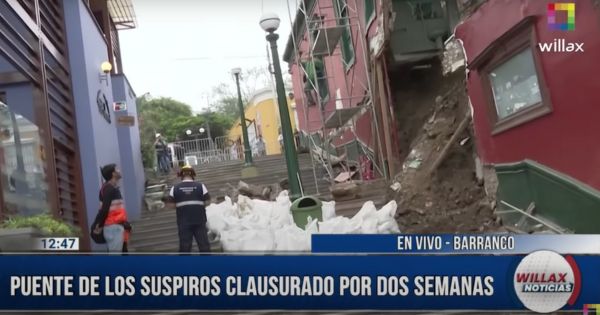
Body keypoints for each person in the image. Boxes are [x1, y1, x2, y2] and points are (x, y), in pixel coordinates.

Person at [167, 165, 211, 252]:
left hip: (183, 223)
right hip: (199, 221)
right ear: (193, 175)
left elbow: (170, 205)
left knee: (185, 247)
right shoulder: (201, 186)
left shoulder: (174, 188)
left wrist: (181, 205)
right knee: (204, 245)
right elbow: (208, 201)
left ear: (181, 176)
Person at [92, 164, 131, 252]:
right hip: (113, 227)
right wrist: (99, 225)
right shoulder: (108, 189)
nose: (119, 171)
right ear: (113, 173)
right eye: (117, 169)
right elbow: (104, 209)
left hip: (118, 226)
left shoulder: (111, 188)